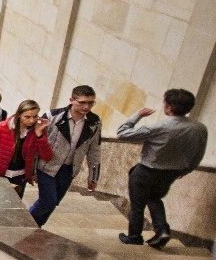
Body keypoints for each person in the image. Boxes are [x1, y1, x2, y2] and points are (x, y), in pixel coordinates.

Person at [116, 88, 208, 247]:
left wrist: (137, 116)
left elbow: (122, 133)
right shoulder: (199, 129)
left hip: (146, 171)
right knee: (154, 197)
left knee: (138, 204)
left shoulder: (159, 128)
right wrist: (186, 170)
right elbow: (198, 154)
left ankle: (134, 236)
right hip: (171, 173)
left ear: (170, 108)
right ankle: (162, 230)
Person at [29, 86, 102, 226]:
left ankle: (35, 226)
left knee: (53, 203)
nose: (87, 106)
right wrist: (32, 170)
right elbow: (35, 143)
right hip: (46, 166)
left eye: (91, 103)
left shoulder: (94, 122)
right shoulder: (52, 116)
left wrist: (93, 177)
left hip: (68, 170)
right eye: (82, 102)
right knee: (48, 201)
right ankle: (26, 224)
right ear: (71, 100)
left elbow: (95, 149)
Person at [0, 100, 53, 198]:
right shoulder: (2, 127)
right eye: (27, 117)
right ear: (19, 115)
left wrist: (40, 135)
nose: (32, 120)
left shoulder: (37, 132)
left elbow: (47, 156)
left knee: (13, 207)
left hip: (20, 177)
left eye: (35, 116)